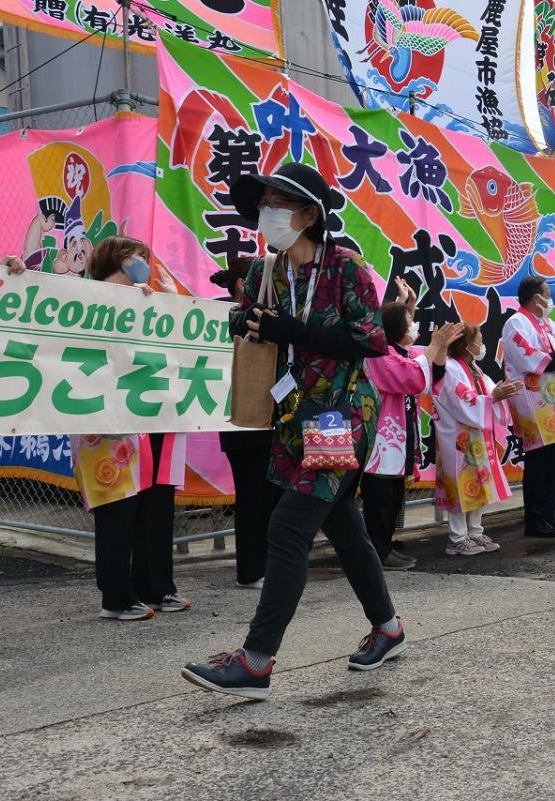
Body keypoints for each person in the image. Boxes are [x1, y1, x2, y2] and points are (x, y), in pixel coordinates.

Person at [183, 163, 402, 700]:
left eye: (279, 203)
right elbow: (253, 322)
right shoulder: (266, 272)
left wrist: (297, 330)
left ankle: (256, 661)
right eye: (264, 203)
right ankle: (389, 629)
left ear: (309, 215)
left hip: (341, 415)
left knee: (287, 529)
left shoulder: (346, 269)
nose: (267, 213)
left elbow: (372, 341)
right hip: (293, 419)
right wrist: (246, 320)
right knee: (344, 527)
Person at [5, 237, 189, 620]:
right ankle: (117, 597)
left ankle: (155, 587)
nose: (143, 264)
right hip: (103, 422)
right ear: (115, 260)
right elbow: (34, 310)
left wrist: (172, 305)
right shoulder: (81, 296)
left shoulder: (147, 300)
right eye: (136, 257)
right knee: (117, 508)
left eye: (145, 258)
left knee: (154, 508)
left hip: (151, 418)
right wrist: (16, 273)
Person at [360, 280, 459, 571]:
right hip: (380, 439)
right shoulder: (379, 354)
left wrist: (439, 346)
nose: (414, 327)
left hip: (400, 436)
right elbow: (412, 376)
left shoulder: (399, 352)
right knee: (379, 499)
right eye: (409, 322)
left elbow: (431, 373)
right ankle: (377, 552)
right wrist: (435, 347)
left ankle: (386, 544)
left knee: (392, 497)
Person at [502, 276, 555, 538]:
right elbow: (533, 359)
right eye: (547, 295)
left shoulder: (540, 323)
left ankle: (549, 512)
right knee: (538, 460)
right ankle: (535, 518)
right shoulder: (516, 324)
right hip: (532, 401)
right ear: (535, 298)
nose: (550, 301)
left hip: (549, 402)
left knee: (552, 459)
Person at [213, 258, 277, 589]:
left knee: (262, 497)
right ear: (243, 283)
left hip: (257, 421)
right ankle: (252, 570)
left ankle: (262, 565)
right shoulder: (237, 318)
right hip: (245, 422)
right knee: (253, 498)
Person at [431, 324, 522, 555]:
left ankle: (474, 532)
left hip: (475, 434)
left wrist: (502, 392)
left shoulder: (474, 368)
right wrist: (494, 396)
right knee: (462, 485)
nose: (482, 345)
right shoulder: (451, 368)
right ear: (467, 345)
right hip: (458, 437)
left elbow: (487, 394)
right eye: (479, 340)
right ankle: (457, 538)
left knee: (478, 483)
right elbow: (463, 401)